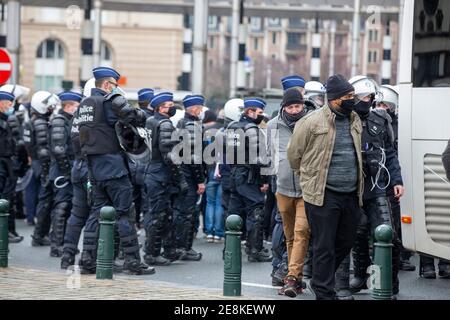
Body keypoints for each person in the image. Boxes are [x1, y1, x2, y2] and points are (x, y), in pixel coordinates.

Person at [287, 74, 363, 300]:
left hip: (351, 192)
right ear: (335, 98)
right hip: (322, 194)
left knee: (346, 240)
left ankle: (320, 278)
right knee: (324, 245)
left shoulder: (354, 119)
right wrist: (308, 176)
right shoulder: (310, 122)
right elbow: (294, 156)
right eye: (348, 96)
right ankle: (323, 292)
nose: (352, 100)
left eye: (353, 95)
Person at [77, 67, 154, 275]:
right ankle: (133, 261)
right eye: (115, 85)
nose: (116, 89)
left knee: (96, 213)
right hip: (113, 168)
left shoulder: (84, 105)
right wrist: (141, 111)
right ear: (108, 85)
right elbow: (135, 118)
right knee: (124, 213)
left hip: (93, 167)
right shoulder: (109, 102)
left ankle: (87, 259)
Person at [334, 76, 404, 300]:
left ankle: (387, 284)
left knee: (386, 235)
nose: (368, 100)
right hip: (350, 188)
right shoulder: (341, 121)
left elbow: (390, 153)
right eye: (364, 96)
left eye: (371, 97)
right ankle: (349, 281)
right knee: (351, 234)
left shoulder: (380, 119)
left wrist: (397, 180)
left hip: (377, 187)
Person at [267, 88, 310, 298]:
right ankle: (297, 278)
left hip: (306, 188)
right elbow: (270, 153)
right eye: (291, 107)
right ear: (284, 107)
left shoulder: (311, 122)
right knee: (290, 235)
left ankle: (291, 278)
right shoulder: (273, 125)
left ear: (303, 105)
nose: (294, 110)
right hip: (283, 188)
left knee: (302, 232)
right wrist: (276, 173)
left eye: (298, 106)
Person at [144, 92, 188, 265]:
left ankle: (169, 250)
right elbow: (169, 155)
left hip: (152, 172)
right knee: (159, 215)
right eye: (169, 105)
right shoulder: (164, 124)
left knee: (165, 214)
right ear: (160, 108)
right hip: (160, 175)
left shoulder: (149, 122)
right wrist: (180, 179)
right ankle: (151, 253)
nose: (173, 108)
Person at [226, 97, 272, 262]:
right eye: (259, 112)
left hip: (235, 174)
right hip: (248, 175)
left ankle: (229, 250)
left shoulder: (231, 126)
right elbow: (260, 158)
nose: (262, 115)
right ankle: (255, 249)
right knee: (256, 211)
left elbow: (228, 154)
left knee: (234, 212)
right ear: (250, 112)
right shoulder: (251, 128)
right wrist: (265, 179)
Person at [376, 84, 416, 272]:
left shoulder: (401, 125)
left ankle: (400, 257)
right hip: (377, 180)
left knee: (395, 220)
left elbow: (392, 154)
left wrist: (397, 180)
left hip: (394, 177)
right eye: (380, 104)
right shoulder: (371, 122)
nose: (383, 108)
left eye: (387, 105)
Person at [47, 91, 82, 257]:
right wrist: (68, 172)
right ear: (68, 106)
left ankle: (66, 244)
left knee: (69, 209)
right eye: (76, 106)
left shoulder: (70, 121)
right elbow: (59, 150)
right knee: (61, 207)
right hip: (62, 171)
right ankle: (57, 245)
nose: (78, 109)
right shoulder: (60, 121)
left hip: (69, 169)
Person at [172, 95, 206, 260]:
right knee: (187, 213)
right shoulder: (192, 126)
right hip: (190, 175)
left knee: (181, 211)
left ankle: (178, 246)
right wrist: (200, 180)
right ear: (194, 108)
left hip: (182, 173)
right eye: (200, 108)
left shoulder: (181, 123)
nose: (201, 111)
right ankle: (183, 248)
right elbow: (194, 156)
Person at [61, 89, 91, 269]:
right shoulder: (96, 115)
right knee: (96, 213)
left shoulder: (78, 115)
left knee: (77, 215)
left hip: (78, 166)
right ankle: (87, 256)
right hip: (91, 168)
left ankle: (67, 255)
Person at [25, 91, 60, 247]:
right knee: (46, 201)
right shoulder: (40, 123)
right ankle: (39, 235)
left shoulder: (35, 121)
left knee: (45, 200)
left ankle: (40, 234)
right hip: (43, 165)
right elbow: (44, 150)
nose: (51, 109)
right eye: (49, 106)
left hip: (38, 164)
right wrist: (48, 172)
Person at [0, 91, 23, 243]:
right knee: (3, 198)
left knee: (8, 198)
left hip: (7, 163)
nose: (11, 107)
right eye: (8, 104)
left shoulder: (6, 120)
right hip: (1, 163)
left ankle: (9, 231)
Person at [203, 110, 225, 243]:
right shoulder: (226, 131)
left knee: (210, 202)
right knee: (219, 202)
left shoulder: (207, 130)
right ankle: (218, 232)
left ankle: (209, 231)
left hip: (210, 168)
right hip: (222, 168)